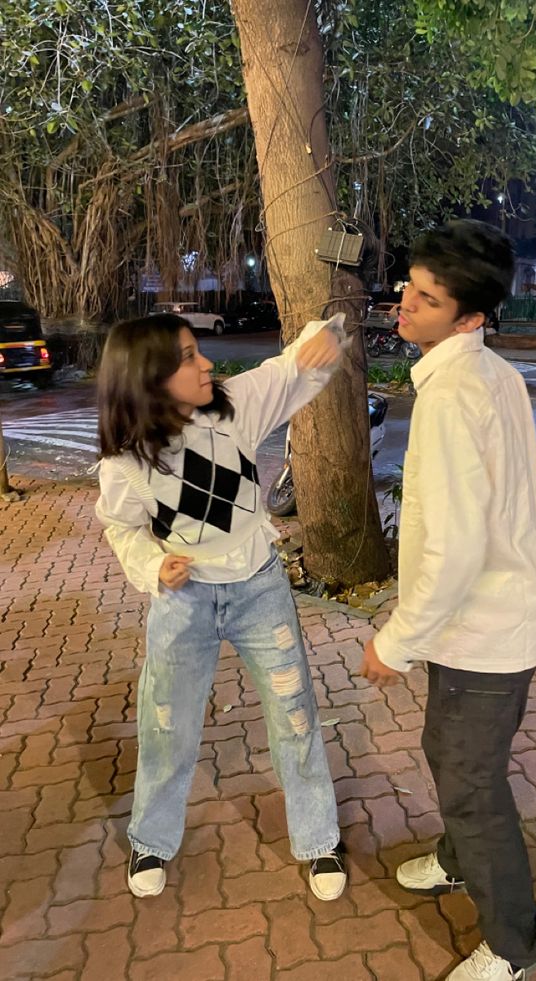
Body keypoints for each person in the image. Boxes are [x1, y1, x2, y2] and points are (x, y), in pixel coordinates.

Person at [360, 219, 536, 981]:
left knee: (472, 784)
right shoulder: (487, 374)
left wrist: (394, 640)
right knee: (452, 753)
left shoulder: (456, 396)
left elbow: (454, 546)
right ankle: (453, 858)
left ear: (470, 317)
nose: (405, 304)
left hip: (485, 624)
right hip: (485, 619)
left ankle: (518, 944)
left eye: (428, 298)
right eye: (409, 285)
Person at [96, 312, 348, 902]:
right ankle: (150, 837)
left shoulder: (233, 407)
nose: (206, 364)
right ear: (151, 377)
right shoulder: (127, 462)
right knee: (165, 722)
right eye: (188, 356)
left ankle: (319, 839)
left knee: (295, 713)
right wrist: (153, 566)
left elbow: (291, 371)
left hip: (259, 587)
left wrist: (324, 339)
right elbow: (120, 526)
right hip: (182, 602)